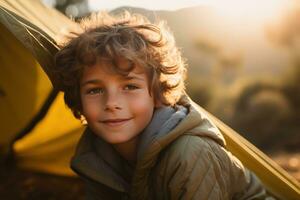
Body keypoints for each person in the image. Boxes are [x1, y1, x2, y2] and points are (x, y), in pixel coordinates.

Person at [53, 11, 272, 200]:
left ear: (158, 94)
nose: (111, 104)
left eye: (129, 87)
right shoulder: (96, 157)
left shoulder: (190, 154)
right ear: (78, 98)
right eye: (95, 90)